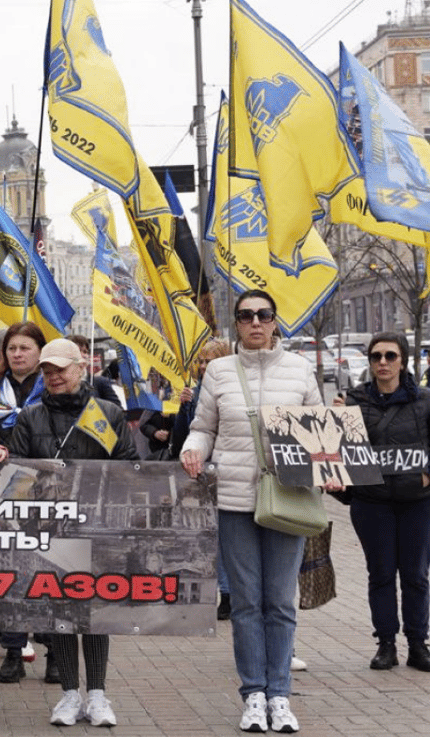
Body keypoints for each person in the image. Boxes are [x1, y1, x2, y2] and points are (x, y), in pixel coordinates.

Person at [181, 290, 321, 734]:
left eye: (263, 315)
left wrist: (332, 466)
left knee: (279, 602)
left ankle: (280, 695)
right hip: (236, 502)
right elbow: (204, 427)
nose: (255, 322)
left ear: (276, 321)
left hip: (288, 499)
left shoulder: (300, 369)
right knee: (244, 603)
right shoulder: (219, 371)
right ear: (236, 324)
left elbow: (321, 434)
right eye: (246, 316)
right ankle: (253, 695)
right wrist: (192, 450)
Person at [1, 337, 136, 727]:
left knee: (93, 613)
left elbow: (128, 467)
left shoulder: (105, 414)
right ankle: (68, 695)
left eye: (60, 368)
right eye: (47, 370)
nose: (54, 376)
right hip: (49, 530)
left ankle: (97, 695)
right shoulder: (31, 417)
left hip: (96, 527)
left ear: (81, 368)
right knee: (60, 610)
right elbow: (18, 479)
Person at [338, 332, 430, 673]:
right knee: (380, 574)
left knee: (416, 575)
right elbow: (340, 452)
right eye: (376, 356)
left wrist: (427, 475)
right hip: (372, 503)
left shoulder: (424, 400)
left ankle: (418, 644)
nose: (382, 363)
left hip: (417, 502)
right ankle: (386, 644)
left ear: (402, 360)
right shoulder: (353, 402)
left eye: (390, 356)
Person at [0, 321, 52, 684]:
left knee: (49, 575)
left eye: (25, 347)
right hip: (5, 491)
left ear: (40, 351)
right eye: (12, 349)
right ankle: (12, 650)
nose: (18, 354)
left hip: (50, 493)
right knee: (10, 573)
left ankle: (56, 652)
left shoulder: (53, 386)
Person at [170, 338, 233, 619]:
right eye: (201, 361)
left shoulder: (231, 390)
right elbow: (181, 439)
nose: (204, 366)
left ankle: (230, 594)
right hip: (200, 474)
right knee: (208, 537)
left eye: (210, 360)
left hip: (229, 474)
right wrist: (184, 408)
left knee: (227, 539)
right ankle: (220, 592)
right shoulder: (195, 393)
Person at [67, 335, 121, 408]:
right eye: (78, 351)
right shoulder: (60, 383)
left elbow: (118, 412)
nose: (84, 355)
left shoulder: (100, 382)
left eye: (85, 352)